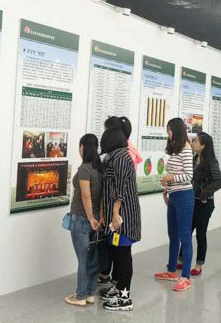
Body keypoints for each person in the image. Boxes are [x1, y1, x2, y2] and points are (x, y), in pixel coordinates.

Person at [99, 128, 141, 311]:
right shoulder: (113, 157)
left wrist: (116, 213)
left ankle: (125, 298)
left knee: (123, 256)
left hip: (123, 217)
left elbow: (121, 188)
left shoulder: (122, 158)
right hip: (114, 218)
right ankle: (118, 289)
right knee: (117, 253)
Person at [154, 118, 194, 292]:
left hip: (184, 196)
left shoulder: (186, 148)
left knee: (185, 237)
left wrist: (171, 178)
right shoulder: (176, 148)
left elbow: (189, 175)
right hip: (174, 194)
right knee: (173, 234)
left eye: (169, 130)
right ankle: (171, 271)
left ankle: (185, 277)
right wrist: (168, 187)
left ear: (176, 130)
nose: (168, 134)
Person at [64, 134, 103, 307]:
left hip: (82, 218)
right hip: (95, 220)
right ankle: (89, 293)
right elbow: (101, 196)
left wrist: (90, 217)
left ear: (82, 147)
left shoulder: (84, 169)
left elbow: (86, 195)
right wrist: (98, 216)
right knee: (93, 258)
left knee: (83, 260)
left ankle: (80, 296)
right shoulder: (99, 168)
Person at [178, 132, 221, 276]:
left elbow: (219, 181)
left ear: (203, 146)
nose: (193, 143)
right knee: (187, 231)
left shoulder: (211, 162)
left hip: (205, 203)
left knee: (200, 233)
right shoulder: (193, 159)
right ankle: (183, 260)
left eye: (196, 141)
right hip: (191, 200)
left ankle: (199, 264)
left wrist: (205, 193)